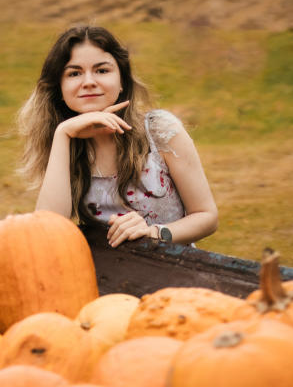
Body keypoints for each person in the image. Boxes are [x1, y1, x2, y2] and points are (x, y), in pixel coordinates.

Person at [17, 24, 218, 247]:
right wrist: (63, 135)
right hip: (106, 274)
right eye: (74, 73)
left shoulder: (160, 131)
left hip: (173, 269)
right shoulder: (65, 143)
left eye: (102, 70)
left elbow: (206, 216)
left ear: (122, 80)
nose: (89, 81)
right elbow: (49, 228)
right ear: (60, 88)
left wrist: (153, 233)